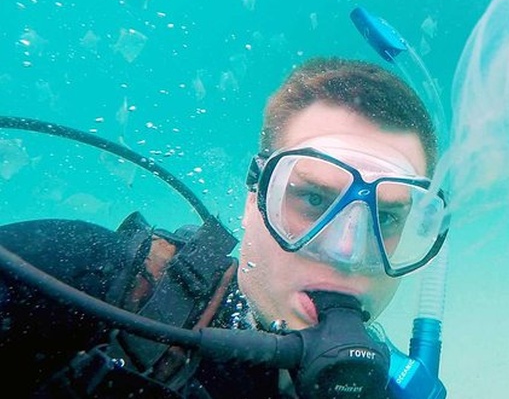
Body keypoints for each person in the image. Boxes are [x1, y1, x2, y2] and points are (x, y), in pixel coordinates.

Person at [0, 56, 449, 398]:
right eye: (314, 199)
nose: (347, 250)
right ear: (252, 200)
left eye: (386, 216)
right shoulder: (80, 281)